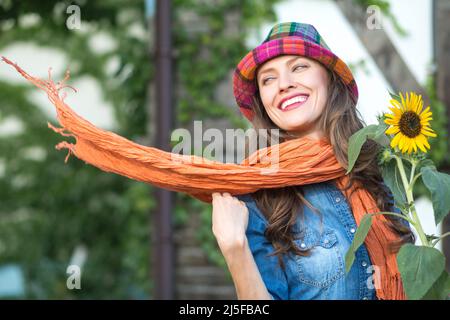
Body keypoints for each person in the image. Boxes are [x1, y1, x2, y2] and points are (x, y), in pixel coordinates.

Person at [211, 22, 414, 300]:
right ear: (264, 102)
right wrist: (235, 249)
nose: (284, 84)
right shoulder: (259, 196)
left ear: (329, 80)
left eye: (298, 67)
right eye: (268, 79)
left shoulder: (378, 170)